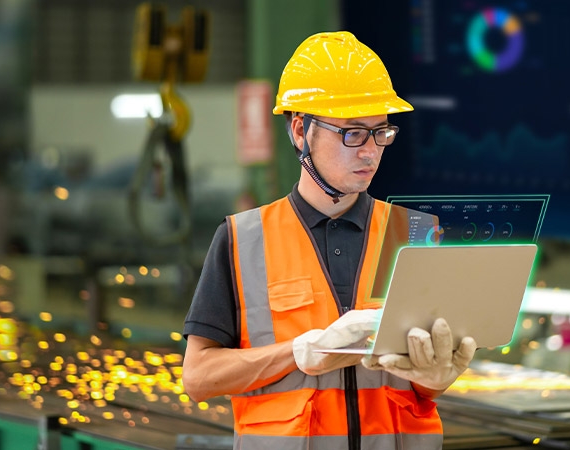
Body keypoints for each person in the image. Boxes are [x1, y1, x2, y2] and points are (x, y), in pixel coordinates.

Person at [181, 31, 478, 450]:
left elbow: (417, 383)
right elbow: (197, 378)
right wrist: (301, 352)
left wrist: (435, 380)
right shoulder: (242, 239)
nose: (370, 152)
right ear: (301, 130)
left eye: (381, 133)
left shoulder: (414, 233)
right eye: (353, 133)